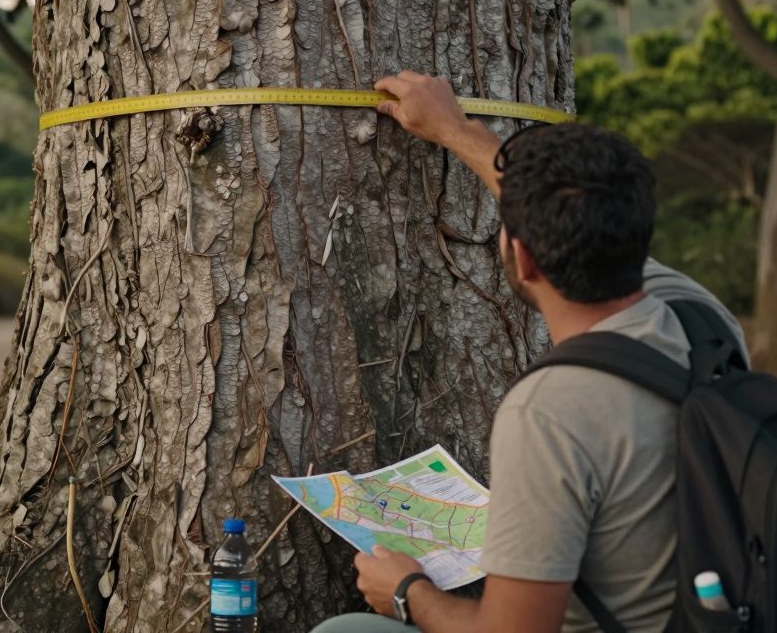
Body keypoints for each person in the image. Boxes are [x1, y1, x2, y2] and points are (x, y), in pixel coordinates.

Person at [310, 72, 747, 633]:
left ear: (522, 258)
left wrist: (406, 593)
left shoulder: (548, 412)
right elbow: (555, 213)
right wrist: (456, 130)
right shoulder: (704, 320)